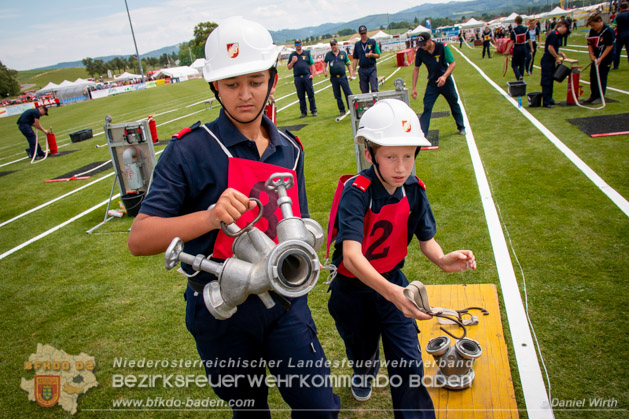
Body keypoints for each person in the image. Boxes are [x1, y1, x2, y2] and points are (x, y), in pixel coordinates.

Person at [127, 16, 340, 417]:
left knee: (319, 408)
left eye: (255, 81)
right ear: (215, 87)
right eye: (232, 84)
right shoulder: (188, 150)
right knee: (249, 410)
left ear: (272, 80)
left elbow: (294, 230)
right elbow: (140, 238)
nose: (245, 95)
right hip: (221, 310)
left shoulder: (291, 149)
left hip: (284, 303)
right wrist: (209, 217)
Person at [326, 98, 476, 417]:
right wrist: (392, 293)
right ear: (370, 154)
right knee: (362, 349)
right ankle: (364, 370)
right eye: (391, 156)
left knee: (408, 365)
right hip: (353, 291)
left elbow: (427, 241)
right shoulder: (357, 192)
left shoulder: (414, 189)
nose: (400, 167)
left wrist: (443, 259)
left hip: (394, 283)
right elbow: (351, 257)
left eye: (408, 156)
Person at [411, 32, 466, 136]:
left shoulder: (442, 47)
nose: (422, 47)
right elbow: (416, 69)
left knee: (454, 103)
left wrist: (444, 76)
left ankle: (461, 127)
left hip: (446, 81)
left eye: (424, 44)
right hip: (433, 83)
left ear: (429, 40)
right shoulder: (420, 52)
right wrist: (414, 88)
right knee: (427, 106)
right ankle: (423, 134)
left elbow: (452, 63)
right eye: (420, 45)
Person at [583, 12, 616, 104]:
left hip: (606, 57)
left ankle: (600, 96)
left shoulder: (608, 31)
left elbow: (609, 46)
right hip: (596, 56)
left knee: (602, 76)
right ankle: (593, 95)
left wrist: (601, 58)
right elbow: (590, 44)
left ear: (599, 21)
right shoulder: (592, 31)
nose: (593, 27)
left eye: (594, 25)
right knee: (593, 75)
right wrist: (591, 55)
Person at [540, 19, 569, 108]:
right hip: (547, 60)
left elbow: (554, 48)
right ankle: (546, 101)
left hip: (550, 60)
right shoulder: (554, 34)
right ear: (563, 26)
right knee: (547, 81)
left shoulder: (556, 35)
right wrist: (557, 57)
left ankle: (550, 99)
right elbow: (550, 48)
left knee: (551, 80)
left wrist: (560, 53)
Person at [324, 39, 355, 117]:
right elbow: (324, 64)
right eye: (332, 45)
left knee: (348, 93)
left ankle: (351, 108)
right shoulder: (328, 55)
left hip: (343, 77)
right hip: (334, 78)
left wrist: (351, 74)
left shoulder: (343, 53)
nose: (333, 46)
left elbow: (348, 65)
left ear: (337, 44)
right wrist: (325, 71)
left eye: (334, 44)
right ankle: (342, 110)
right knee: (337, 95)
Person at [287, 39, 318, 117]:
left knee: (310, 94)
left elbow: (312, 64)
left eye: (299, 44)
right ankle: (303, 112)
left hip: (306, 76)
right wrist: (293, 61)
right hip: (298, 77)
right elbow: (289, 67)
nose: (298, 45)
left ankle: (313, 110)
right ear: (295, 45)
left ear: (301, 44)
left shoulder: (307, 53)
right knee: (301, 96)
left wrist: (313, 74)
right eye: (296, 44)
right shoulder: (292, 55)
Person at [352, 25, 381, 93]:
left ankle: (376, 103)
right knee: (364, 91)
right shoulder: (357, 44)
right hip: (362, 69)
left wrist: (372, 55)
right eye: (362, 33)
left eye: (364, 33)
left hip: (371, 68)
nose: (363, 35)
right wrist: (353, 70)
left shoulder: (372, 42)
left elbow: (378, 55)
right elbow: (355, 58)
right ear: (359, 33)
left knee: (374, 88)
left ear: (367, 32)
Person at [507, 15, 533, 80]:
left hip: (517, 47)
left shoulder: (514, 30)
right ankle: (521, 76)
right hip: (524, 46)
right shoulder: (526, 29)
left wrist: (507, 50)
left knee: (514, 64)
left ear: (516, 22)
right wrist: (532, 48)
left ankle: (518, 76)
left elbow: (512, 41)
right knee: (522, 63)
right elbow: (529, 39)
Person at [613, 2, 629, 69]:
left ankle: (616, 65)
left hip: (621, 35)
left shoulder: (618, 16)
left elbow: (614, 26)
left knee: (617, 51)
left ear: (620, 8)